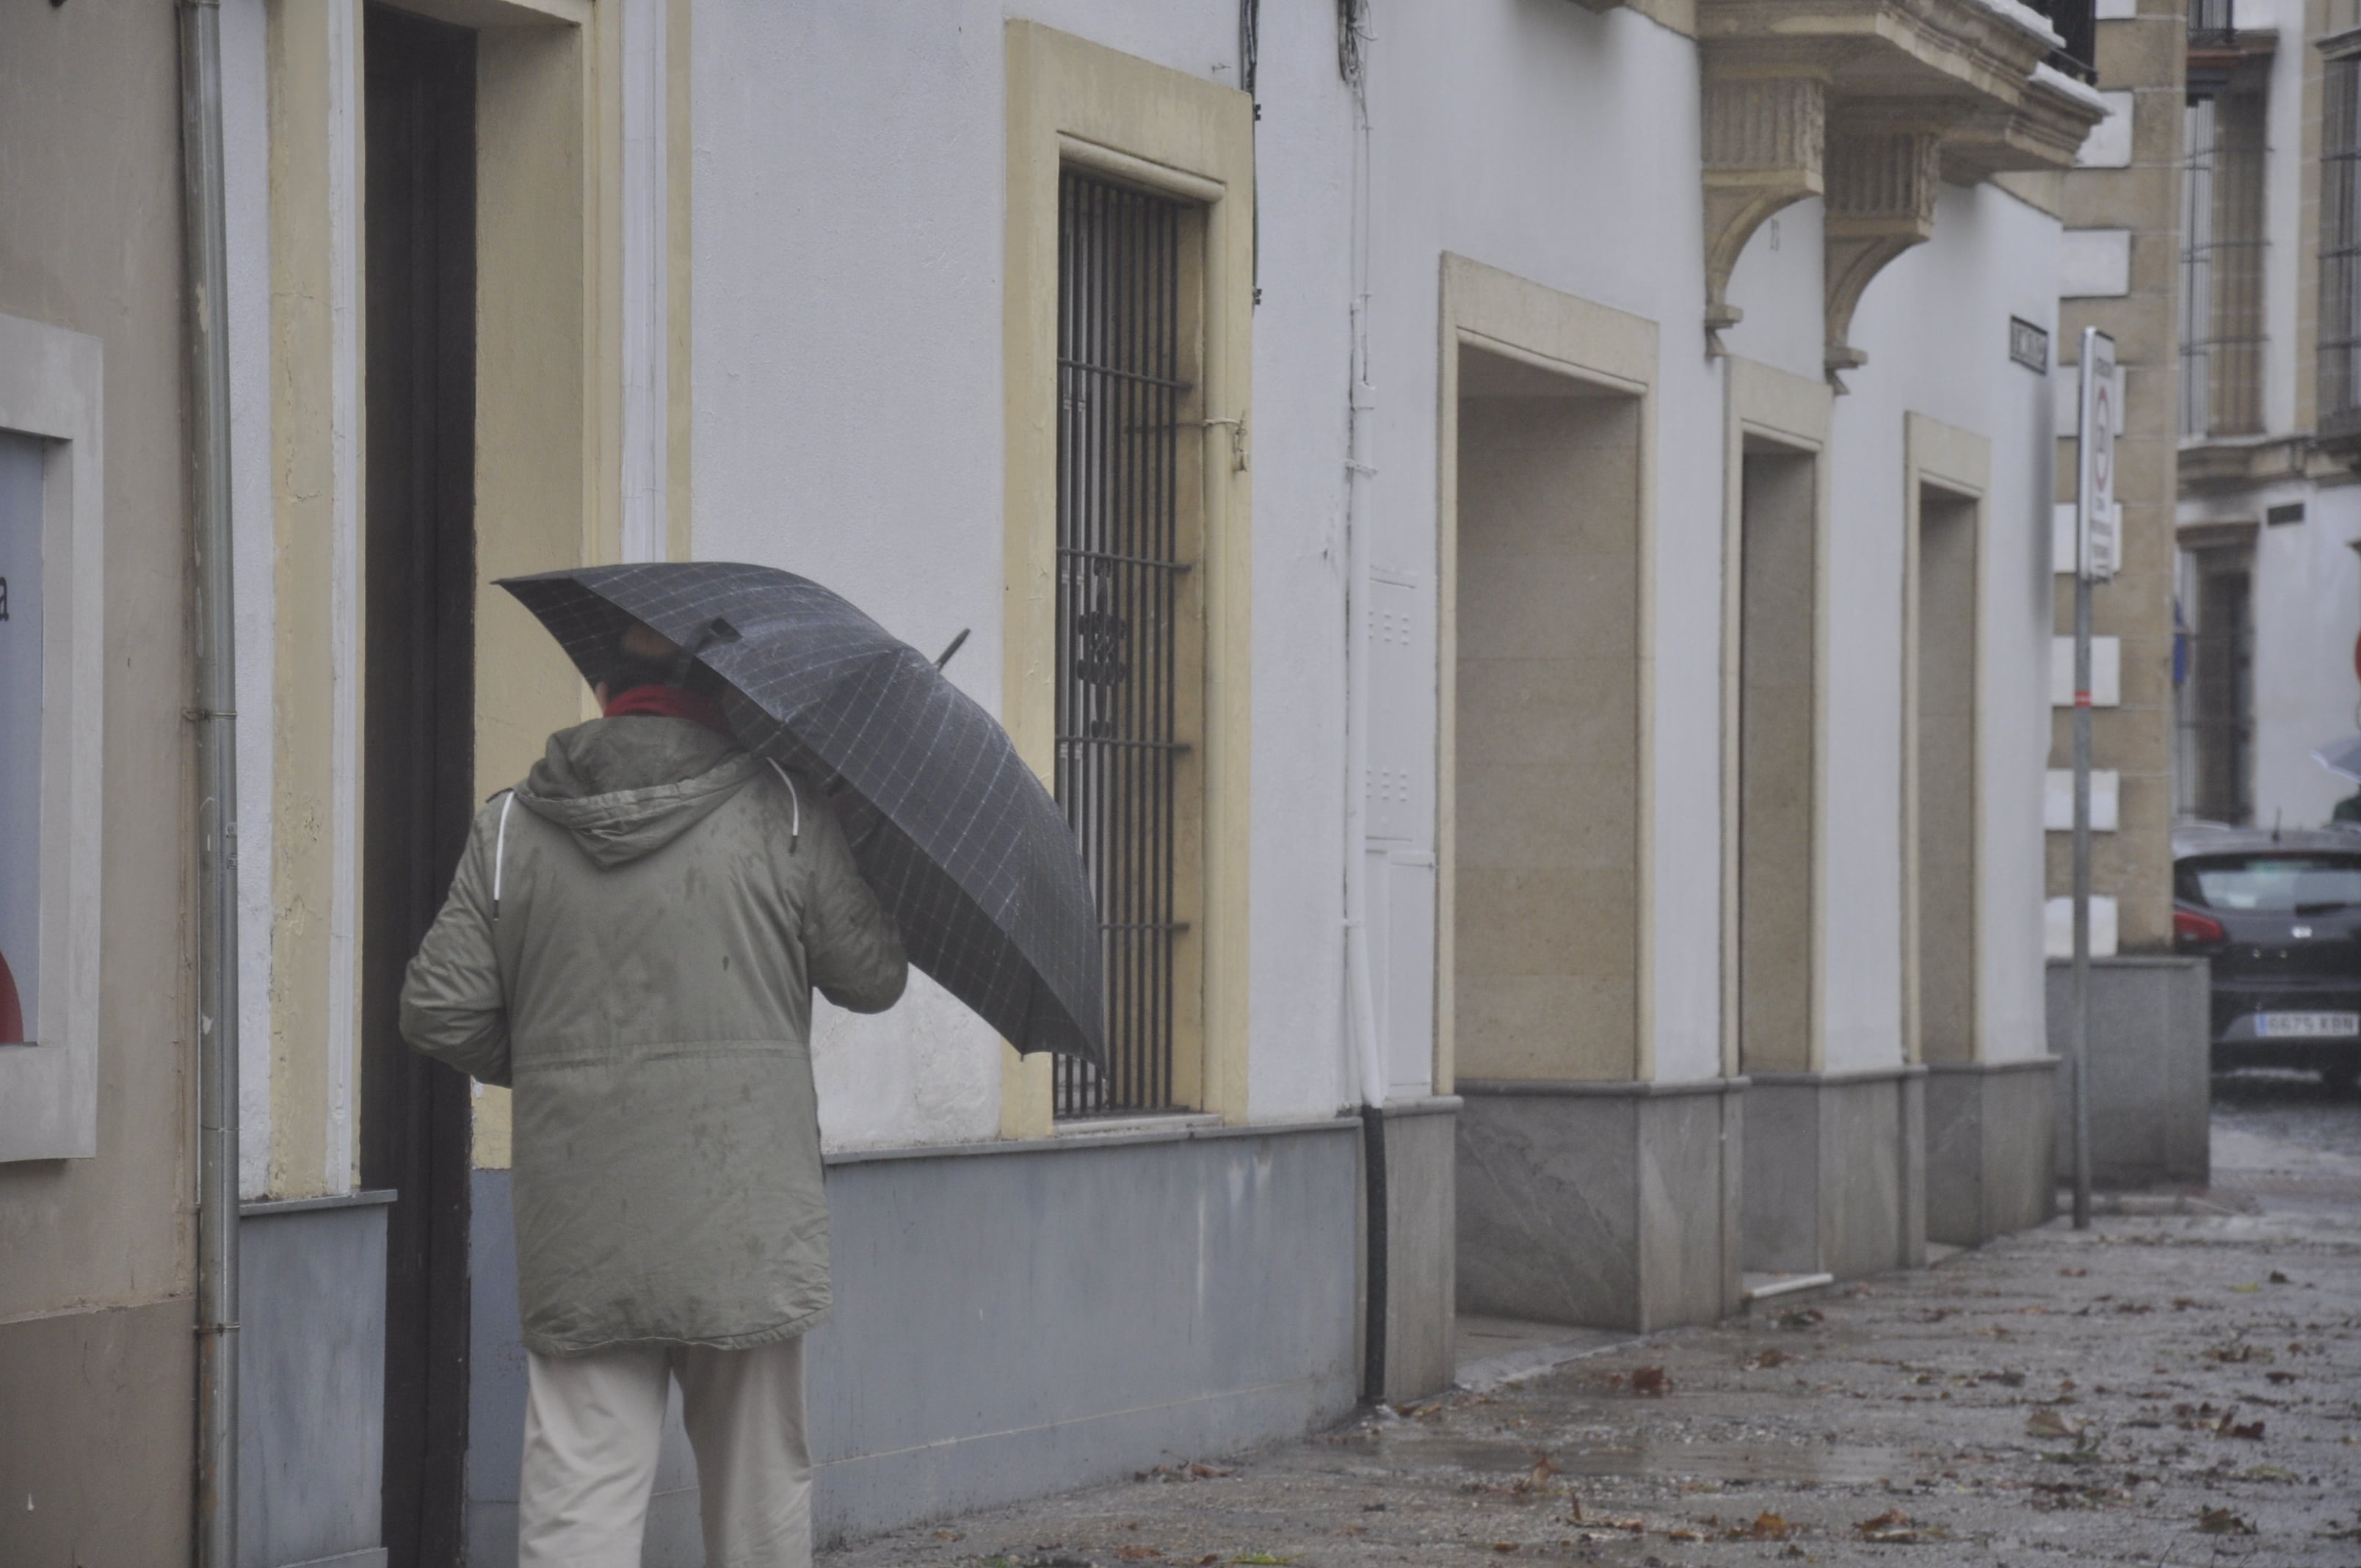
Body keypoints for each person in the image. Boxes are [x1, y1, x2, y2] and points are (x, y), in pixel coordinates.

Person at [400, 618, 907, 1568]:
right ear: (721, 699)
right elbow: (872, 978)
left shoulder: (510, 828)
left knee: (579, 1487)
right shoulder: (788, 815)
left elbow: (438, 1010)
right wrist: (843, 839)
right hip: (747, 1218)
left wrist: (560, 1062)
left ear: (600, 695)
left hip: (584, 1217)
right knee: (759, 1488)